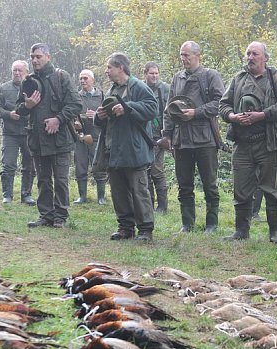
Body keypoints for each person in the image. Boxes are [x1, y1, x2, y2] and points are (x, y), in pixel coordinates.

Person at [219, 41, 277, 243]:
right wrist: (233, 117)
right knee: (241, 188)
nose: (250, 57)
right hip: (242, 143)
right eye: (248, 53)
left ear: (265, 58)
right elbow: (223, 105)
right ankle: (241, 231)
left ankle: (274, 233)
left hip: (269, 143)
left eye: (255, 54)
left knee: (272, 188)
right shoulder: (238, 79)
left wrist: (261, 115)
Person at [16, 43, 82, 229]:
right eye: (32, 57)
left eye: (38, 56)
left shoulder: (61, 77)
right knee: (43, 180)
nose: (35, 60)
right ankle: (45, 215)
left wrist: (58, 119)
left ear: (48, 57)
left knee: (61, 180)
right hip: (37, 139)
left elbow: (76, 104)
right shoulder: (27, 81)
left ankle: (60, 216)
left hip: (60, 138)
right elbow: (18, 109)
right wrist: (27, 106)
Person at [162, 41, 225, 233]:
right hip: (182, 140)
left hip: (205, 138)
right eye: (182, 55)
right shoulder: (177, 78)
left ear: (198, 55)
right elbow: (169, 109)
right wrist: (168, 135)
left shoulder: (210, 76)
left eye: (187, 55)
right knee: (184, 185)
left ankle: (212, 224)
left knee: (209, 184)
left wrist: (196, 112)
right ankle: (187, 224)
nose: (183, 59)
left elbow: (220, 103)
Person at [95, 53, 158, 241]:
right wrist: (100, 116)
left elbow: (152, 109)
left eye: (109, 67)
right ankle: (125, 228)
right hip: (113, 150)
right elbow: (103, 119)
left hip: (134, 149)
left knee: (139, 192)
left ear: (120, 67)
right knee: (118, 191)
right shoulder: (112, 90)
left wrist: (127, 107)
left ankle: (145, 230)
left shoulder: (138, 86)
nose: (106, 71)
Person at [0, 60, 36, 205]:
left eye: (20, 70)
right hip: (10, 133)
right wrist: (8, 114)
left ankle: (26, 194)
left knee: (29, 163)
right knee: (8, 164)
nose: (17, 73)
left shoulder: (34, 86)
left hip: (29, 131)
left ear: (26, 71)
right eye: (14, 71)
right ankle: (7, 195)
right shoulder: (4, 88)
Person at [73, 69, 108, 205]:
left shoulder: (102, 96)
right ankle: (82, 197)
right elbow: (70, 113)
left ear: (92, 80)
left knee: (99, 167)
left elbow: (108, 116)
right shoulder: (76, 96)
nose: (83, 81)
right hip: (80, 137)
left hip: (97, 137)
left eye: (85, 78)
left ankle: (101, 197)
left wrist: (96, 116)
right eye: (81, 79)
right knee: (80, 167)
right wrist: (74, 122)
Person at [143, 62, 171, 213]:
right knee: (144, 171)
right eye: (151, 73)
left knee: (157, 171)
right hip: (142, 136)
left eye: (156, 73)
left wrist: (168, 135)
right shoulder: (140, 88)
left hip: (158, 137)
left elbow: (171, 111)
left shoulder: (165, 88)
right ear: (145, 74)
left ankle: (162, 206)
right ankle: (148, 205)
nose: (154, 76)